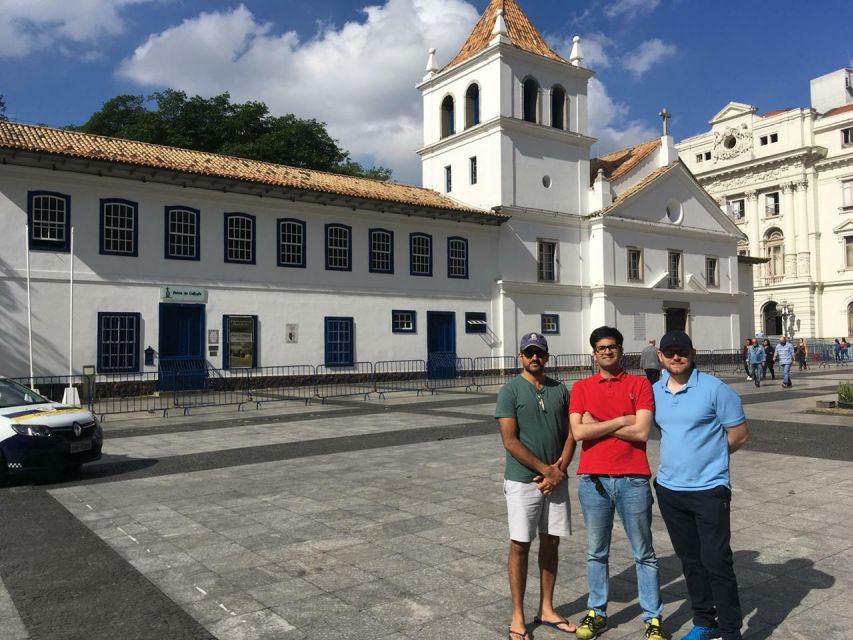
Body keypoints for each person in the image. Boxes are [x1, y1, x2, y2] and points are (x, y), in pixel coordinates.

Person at [569, 326, 666, 640]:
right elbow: (579, 433)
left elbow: (641, 432)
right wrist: (623, 419)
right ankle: (597, 611)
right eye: (601, 347)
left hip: (633, 479)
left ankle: (653, 618)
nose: (607, 351)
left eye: (612, 346)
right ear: (593, 353)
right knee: (596, 551)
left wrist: (599, 424)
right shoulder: (581, 386)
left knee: (644, 552)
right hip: (593, 480)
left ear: (621, 350)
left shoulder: (639, 383)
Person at [652, 330, 749, 640]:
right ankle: (705, 621)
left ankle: (731, 630)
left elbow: (739, 433)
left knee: (717, 561)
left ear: (692, 353)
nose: (676, 357)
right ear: (661, 357)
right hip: (669, 490)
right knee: (691, 562)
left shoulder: (715, 389)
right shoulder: (654, 391)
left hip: (709, 490)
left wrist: (712, 458)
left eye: (682, 351)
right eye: (670, 352)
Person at [496, 332, 577, 640]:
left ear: (546, 356)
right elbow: (509, 441)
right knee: (520, 544)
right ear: (520, 357)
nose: (534, 358)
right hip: (523, 480)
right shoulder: (510, 391)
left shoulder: (560, 390)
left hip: (555, 478)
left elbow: (571, 434)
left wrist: (559, 469)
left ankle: (547, 607)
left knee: (552, 541)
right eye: (529, 353)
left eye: (539, 353)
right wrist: (546, 470)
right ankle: (517, 614)